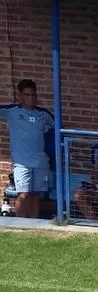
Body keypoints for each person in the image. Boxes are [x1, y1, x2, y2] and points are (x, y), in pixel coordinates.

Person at [0, 79, 54, 218]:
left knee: (35, 195)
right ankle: (19, 225)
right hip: (21, 162)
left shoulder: (44, 114)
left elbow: (59, 129)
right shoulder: (11, 111)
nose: (31, 98)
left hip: (40, 161)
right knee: (23, 195)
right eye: (27, 94)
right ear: (20, 95)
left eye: (33, 95)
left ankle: (34, 226)